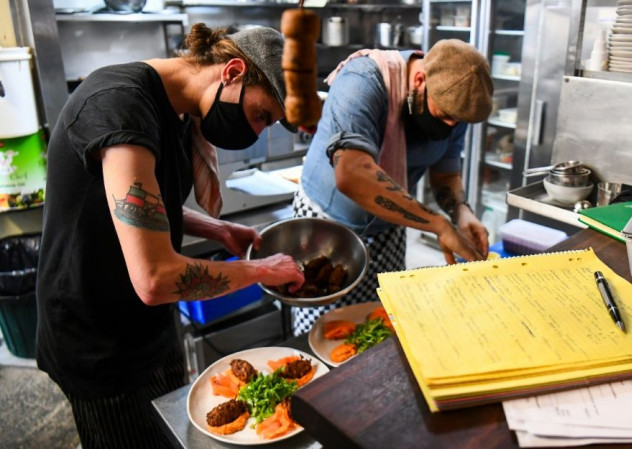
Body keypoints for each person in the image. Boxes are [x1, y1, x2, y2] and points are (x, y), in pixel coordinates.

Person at [35, 24, 305, 449]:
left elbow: (144, 208)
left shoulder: (178, 111)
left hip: (151, 326)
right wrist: (258, 271)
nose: (257, 132)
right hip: (97, 339)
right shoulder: (119, 105)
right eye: (261, 115)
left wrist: (218, 228)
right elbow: (156, 277)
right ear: (232, 72)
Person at [291, 39, 494, 335]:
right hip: (326, 231)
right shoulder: (363, 81)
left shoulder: (456, 106)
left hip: (389, 228)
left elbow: (445, 173)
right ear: (420, 80)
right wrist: (438, 224)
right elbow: (353, 173)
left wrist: (461, 213)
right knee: (328, 334)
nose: (452, 125)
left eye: (458, 121)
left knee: (381, 325)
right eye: (445, 115)